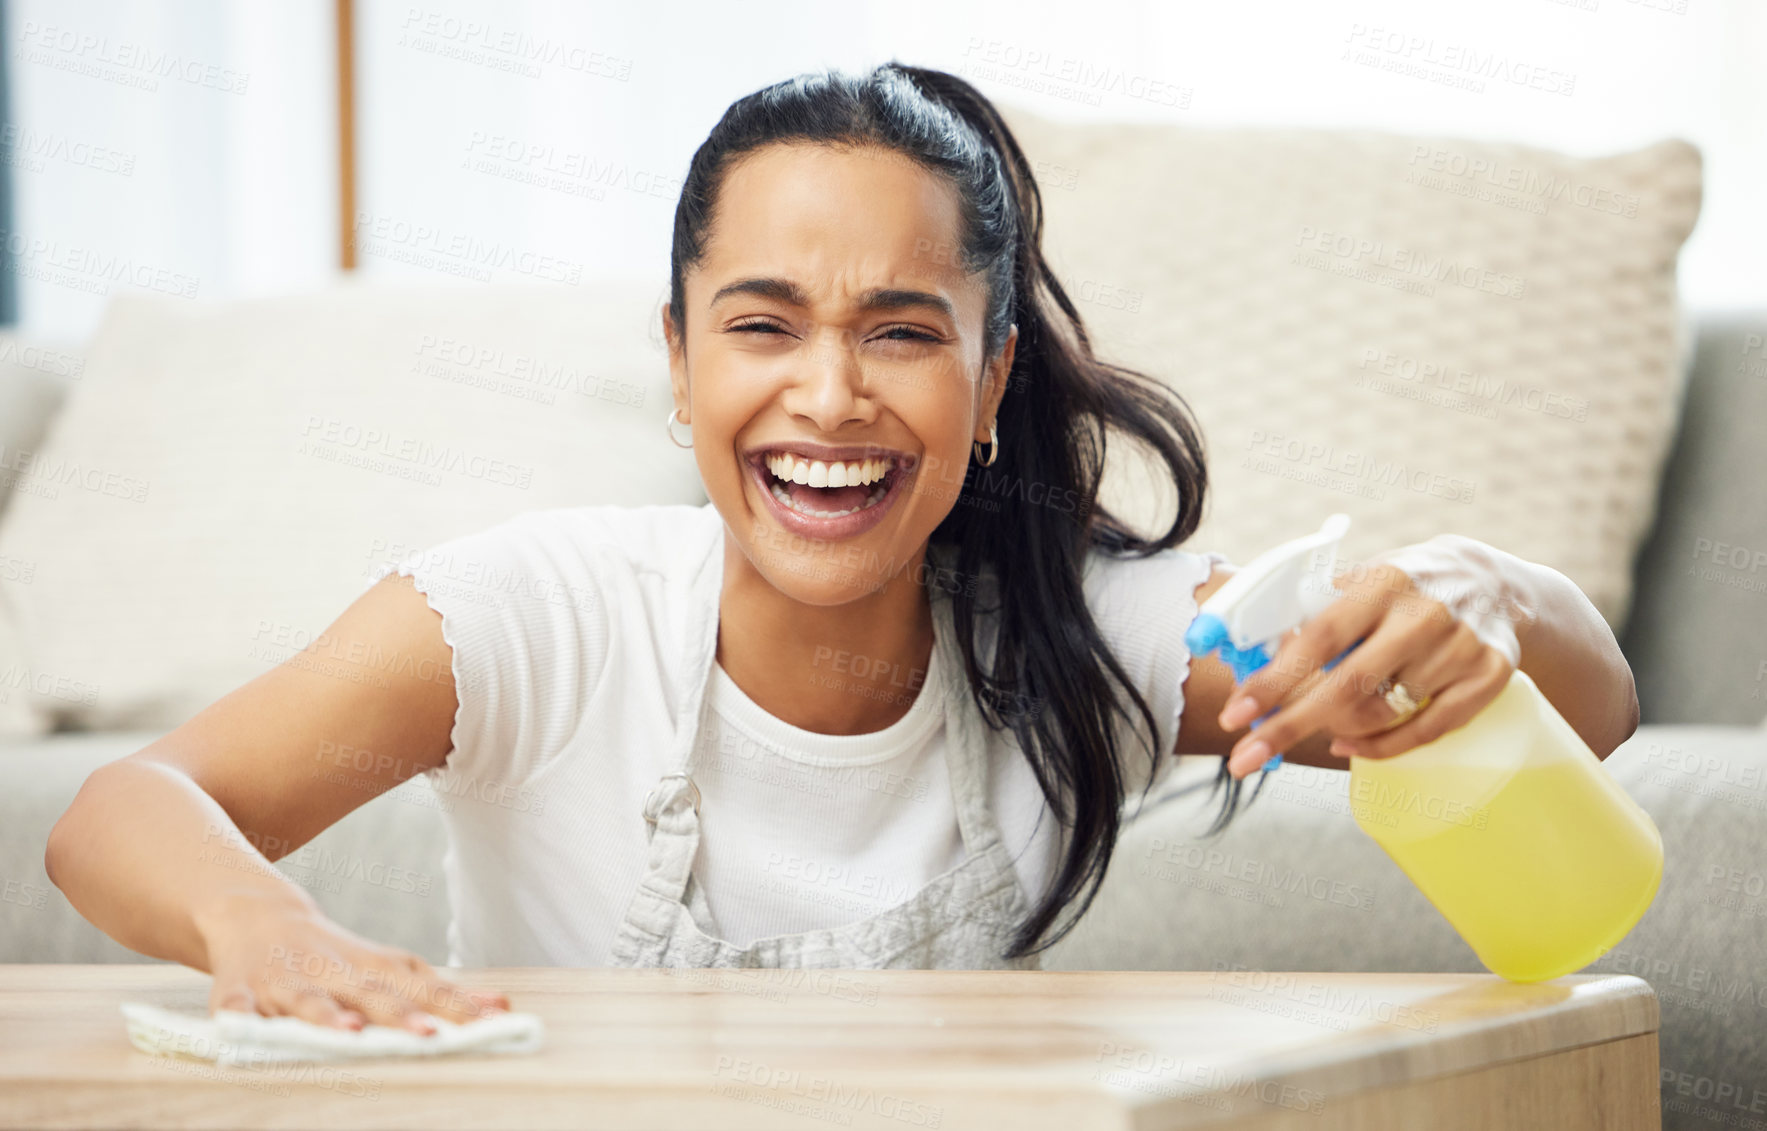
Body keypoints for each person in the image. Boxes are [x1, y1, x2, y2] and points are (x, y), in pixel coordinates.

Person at [44, 62, 1639, 1033]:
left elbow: (1593, 712)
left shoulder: (1091, 641)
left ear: (992, 377)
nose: (830, 395)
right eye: (762, 326)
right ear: (679, 362)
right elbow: (126, 806)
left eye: (901, 330)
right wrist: (267, 926)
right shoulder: (537, 618)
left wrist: (1484, 595)